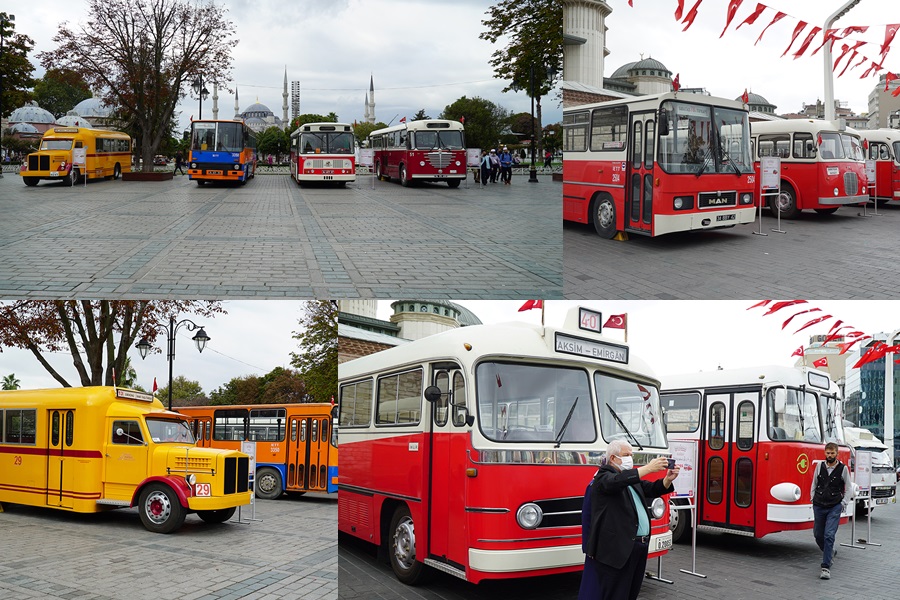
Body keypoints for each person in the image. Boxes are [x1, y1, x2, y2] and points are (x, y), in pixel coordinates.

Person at [578, 440, 679, 600]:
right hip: (619, 549)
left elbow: (651, 489)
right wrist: (647, 468)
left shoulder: (630, 479)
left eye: (631, 455)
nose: (630, 459)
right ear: (613, 458)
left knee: (631, 591)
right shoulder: (603, 477)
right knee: (617, 593)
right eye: (626, 455)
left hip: (638, 545)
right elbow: (615, 483)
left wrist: (667, 480)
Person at [809, 441, 851, 580]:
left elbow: (849, 488)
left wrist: (843, 503)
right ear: (825, 453)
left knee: (829, 535)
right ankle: (831, 551)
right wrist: (812, 498)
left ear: (837, 454)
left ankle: (826, 566)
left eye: (832, 453)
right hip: (819, 505)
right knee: (818, 535)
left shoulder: (843, 469)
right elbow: (814, 482)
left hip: (834, 506)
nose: (830, 455)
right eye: (828, 453)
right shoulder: (819, 466)